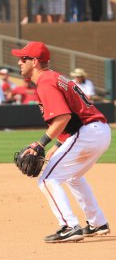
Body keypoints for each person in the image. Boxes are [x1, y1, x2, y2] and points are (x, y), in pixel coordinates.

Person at [11, 41, 111, 243]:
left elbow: (63, 117)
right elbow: (71, 119)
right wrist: (57, 145)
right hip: (95, 131)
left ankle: (69, 226)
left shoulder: (45, 81)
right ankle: (97, 222)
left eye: (23, 58)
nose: (19, 62)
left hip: (87, 131)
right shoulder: (53, 77)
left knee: (48, 179)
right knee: (74, 176)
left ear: (35, 62)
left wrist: (40, 144)